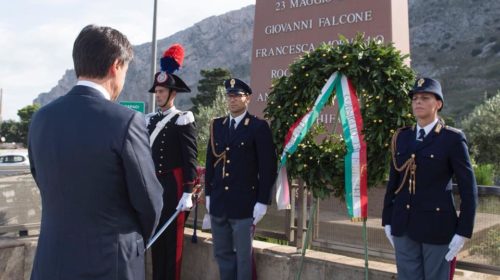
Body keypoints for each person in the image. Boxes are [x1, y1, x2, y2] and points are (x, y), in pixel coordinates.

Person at [28, 25, 163, 280]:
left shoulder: (41, 119)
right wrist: (131, 242)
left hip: (51, 264)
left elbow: (43, 181)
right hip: (110, 265)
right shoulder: (126, 121)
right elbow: (149, 201)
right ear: (116, 66)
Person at [382, 77, 478, 279]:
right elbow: (394, 182)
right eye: (415, 98)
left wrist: (463, 232)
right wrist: (387, 220)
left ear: (438, 104)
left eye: (425, 97)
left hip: (437, 229)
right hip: (403, 227)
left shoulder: (452, 138)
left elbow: (469, 189)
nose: (418, 102)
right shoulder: (402, 137)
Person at [205, 78, 277, 280]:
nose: (232, 99)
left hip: (245, 205)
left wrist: (263, 201)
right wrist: (209, 195)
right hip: (219, 203)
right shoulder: (217, 125)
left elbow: (267, 167)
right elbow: (211, 163)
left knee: (244, 259)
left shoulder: (258, 127)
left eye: (237, 95)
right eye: (229, 95)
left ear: (248, 98)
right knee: (222, 255)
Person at [146, 45, 198, 280]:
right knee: (156, 238)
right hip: (154, 187)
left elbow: (190, 158)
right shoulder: (149, 120)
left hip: (173, 187)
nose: (158, 95)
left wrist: (188, 191)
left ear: (172, 93)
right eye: (156, 91)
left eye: (162, 91)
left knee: (172, 241)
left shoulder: (182, 119)